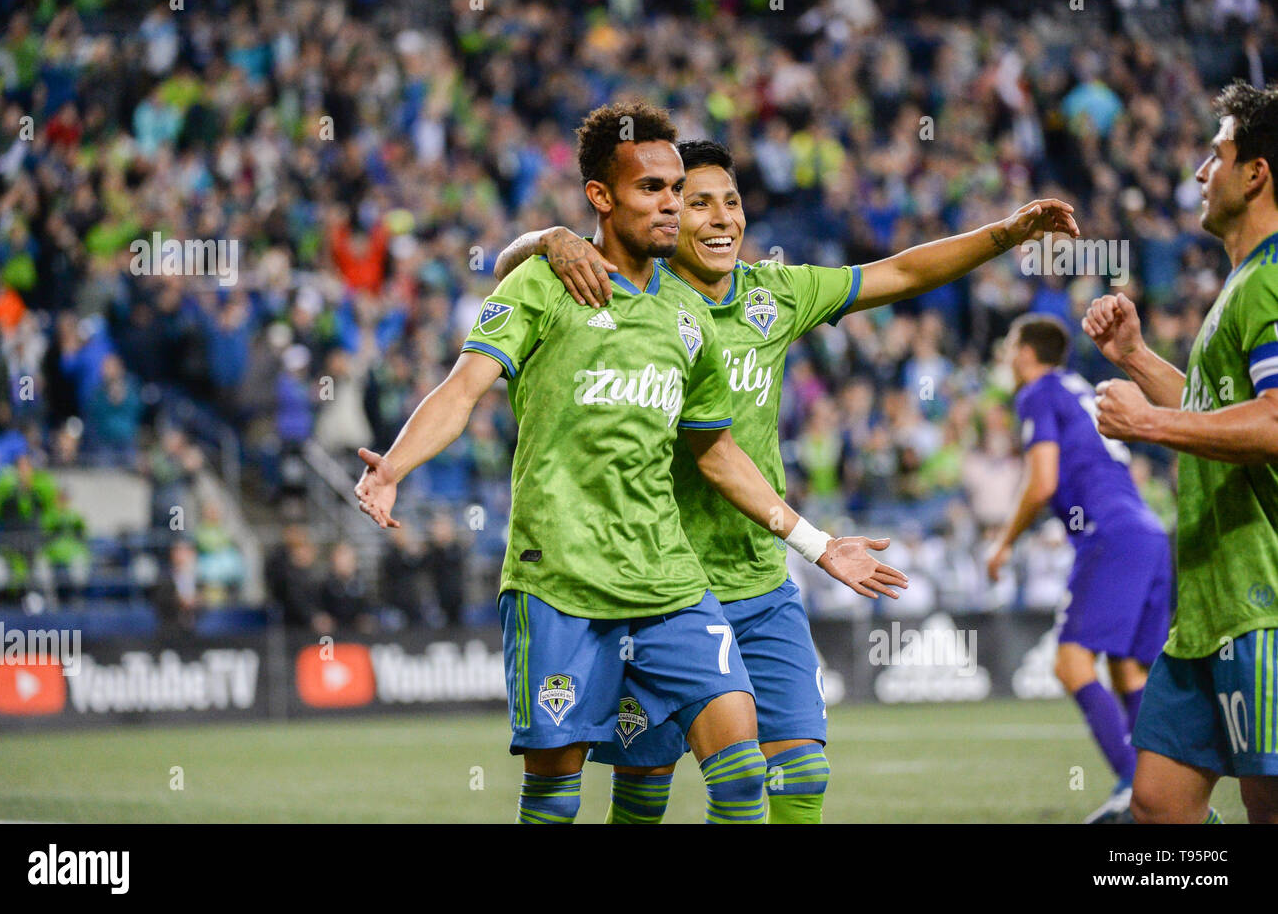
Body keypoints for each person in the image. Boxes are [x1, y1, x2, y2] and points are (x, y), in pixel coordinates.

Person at [354, 103, 907, 824]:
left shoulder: (689, 320)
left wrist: (816, 543)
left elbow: (716, 451)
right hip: (560, 576)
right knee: (554, 802)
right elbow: (463, 388)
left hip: (670, 579)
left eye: (678, 188)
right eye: (653, 188)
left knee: (744, 775)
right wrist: (394, 464)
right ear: (601, 197)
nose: (673, 204)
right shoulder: (546, 285)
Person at [495, 139, 1077, 822]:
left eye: (732, 203)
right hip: (662, 583)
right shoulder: (636, 297)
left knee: (798, 771)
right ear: (668, 213)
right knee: (644, 789)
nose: (720, 219)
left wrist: (1005, 233)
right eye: (698, 202)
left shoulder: (777, 293)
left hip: (760, 580)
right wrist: (548, 237)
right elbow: (513, 273)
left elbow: (901, 273)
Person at [1085, 81, 1278, 824]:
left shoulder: (1270, 282)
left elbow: (1272, 420)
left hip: (1263, 603)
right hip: (1207, 609)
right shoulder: (1241, 285)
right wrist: (1136, 357)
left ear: (1256, 172)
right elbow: (1215, 410)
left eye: (1216, 155)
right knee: (1159, 810)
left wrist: (1149, 428)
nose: (1200, 172)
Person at [988, 314, 1170, 823]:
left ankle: (1135, 791)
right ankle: (1155, 792)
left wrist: (1002, 544)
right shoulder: (1078, 388)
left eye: (1009, 345)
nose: (1006, 357)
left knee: (1071, 663)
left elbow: (1043, 481)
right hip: (1148, 532)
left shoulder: (1038, 391)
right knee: (1129, 667)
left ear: (1026, 352)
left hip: (1108, 535)